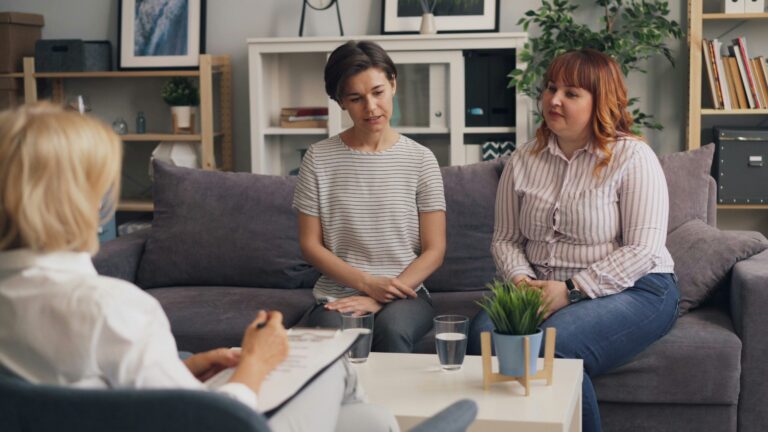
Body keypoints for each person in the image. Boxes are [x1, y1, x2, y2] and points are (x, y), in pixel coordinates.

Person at [0, 102, 397, 432]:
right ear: (73, 201)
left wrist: (183, 370)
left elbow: (88, 396)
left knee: (369, 422)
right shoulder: (111, 308)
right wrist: (255, 365)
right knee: (330, 367)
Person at [467, 49, 679, 432]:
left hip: (637, 289)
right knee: (482, 338)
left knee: (552, 349)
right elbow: (506, 240)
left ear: (601, 101)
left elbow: (643, 250)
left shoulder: (633, 157)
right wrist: (520, 283)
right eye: (550, 88)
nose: (554, 100)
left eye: (571, 92)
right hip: (537, 288)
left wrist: (570, 291)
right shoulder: (522, 160)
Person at [294, 40, 446, 353]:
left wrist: (381, 294)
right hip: (338, 294)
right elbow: (310, 246)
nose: (371, 107)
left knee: (392, 330)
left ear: (393, 84)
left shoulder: (421, 159)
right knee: (330, 337)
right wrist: (366, 284)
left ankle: (394, 405)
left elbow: (435, 249)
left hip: (407, 293)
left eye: (378, 92)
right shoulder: (318, 158)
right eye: (356, 98)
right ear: (341, 102)